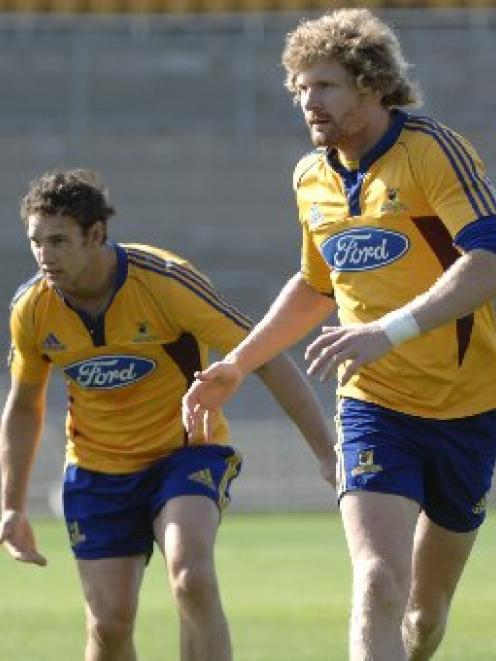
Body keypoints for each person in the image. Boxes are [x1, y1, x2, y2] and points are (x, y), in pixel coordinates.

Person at [182, 8, 496, 661]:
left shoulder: (432, 151)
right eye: (299, 87)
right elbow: (314, 285)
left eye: (323, 85)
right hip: (374, 406)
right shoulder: (310, 176)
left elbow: (488, 259)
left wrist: (390, 328)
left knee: (425, 616)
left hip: (470, 406)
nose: (307, 100)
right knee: (379, 578)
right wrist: (239, 363)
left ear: (372, 85)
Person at [0, 168, 336, 661]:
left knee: (191, 574)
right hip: (97, 470)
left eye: (58, 241)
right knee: (109, 624)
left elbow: (262, 355)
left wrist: (327, 454)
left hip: (184, 454)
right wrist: (12, 505)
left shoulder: (163, 281)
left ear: (96, 235)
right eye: (36, 242)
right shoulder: (32, 308)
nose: (44, 256)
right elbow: (24, 404)